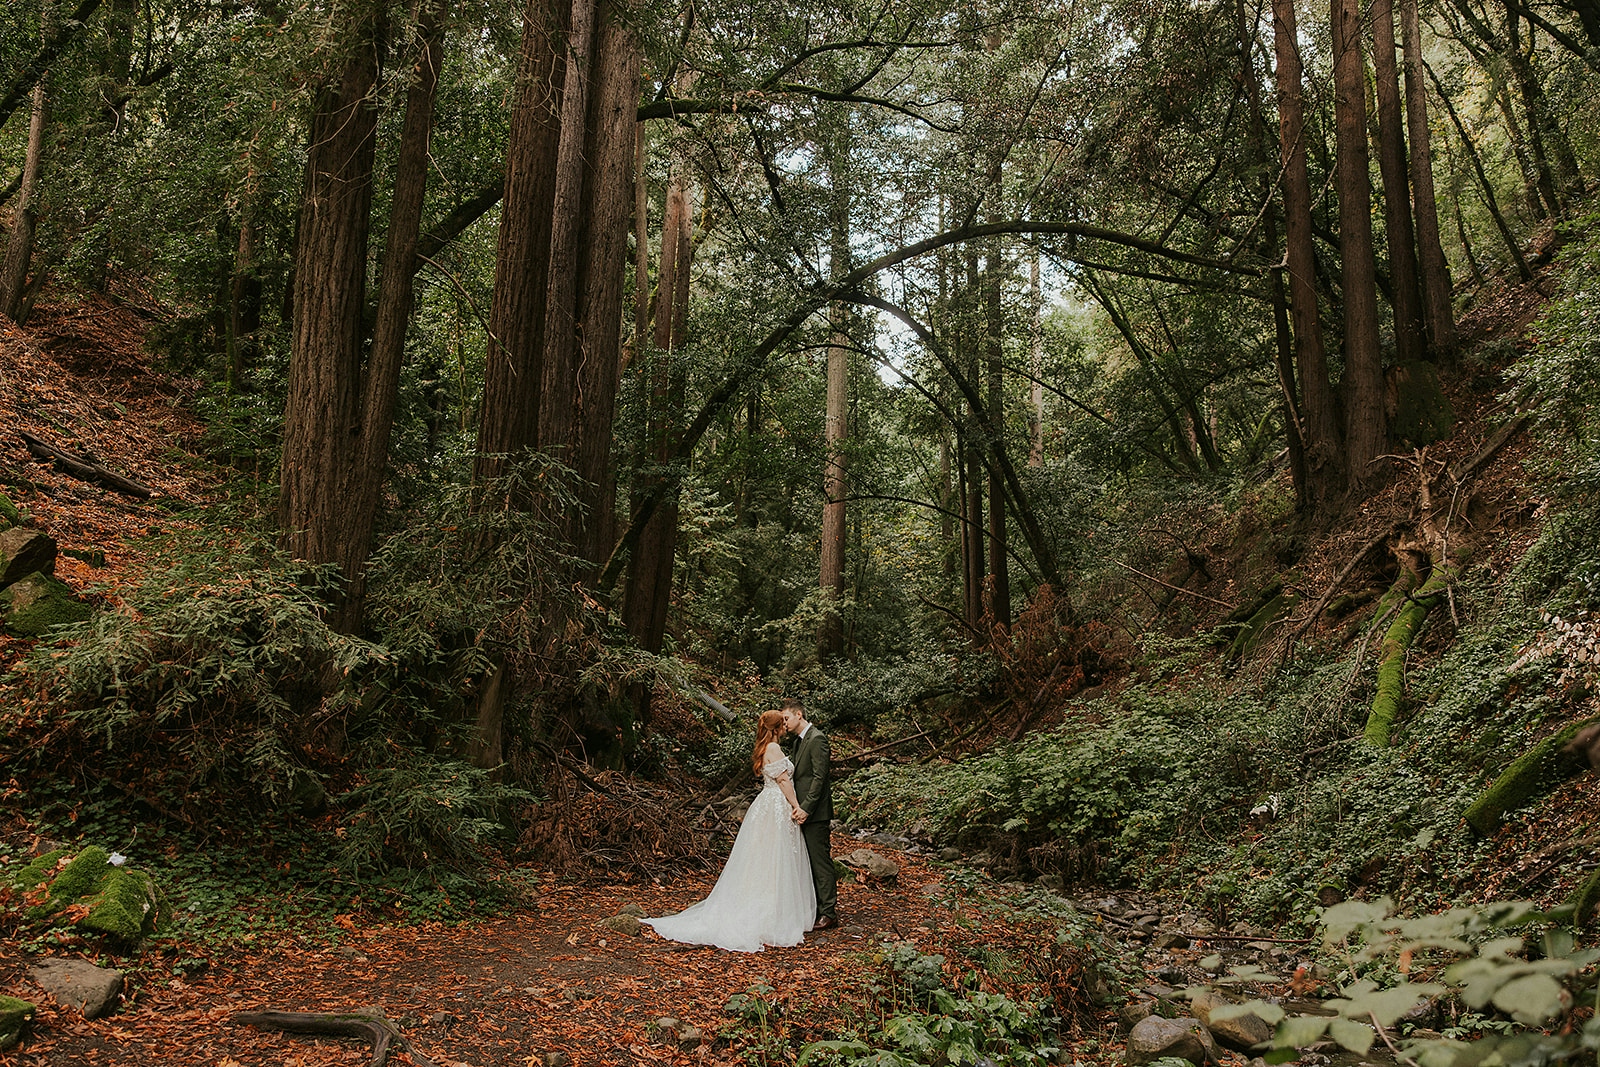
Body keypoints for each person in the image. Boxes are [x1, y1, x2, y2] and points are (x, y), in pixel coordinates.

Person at [642, 709, 817, 952]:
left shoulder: (764, 748)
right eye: (783, 722)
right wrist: (797, 806)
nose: (786, 725)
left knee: (764, 858)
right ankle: (772, 914)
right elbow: (784, 781)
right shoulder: (774, 749)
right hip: (777, 804)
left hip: (766, 805)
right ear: (776, 728)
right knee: (775, 858)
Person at [781, 697, 838, 929]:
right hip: (800, 809)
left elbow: (819, 778)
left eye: (786, 718)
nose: (784, 723)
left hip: (815, 812)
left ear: (799, 715)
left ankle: (829, 913)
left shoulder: (817, 739)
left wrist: (806, 808)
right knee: (804, 861)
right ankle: (813, 908)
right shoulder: (797, 742)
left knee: (820, 861)